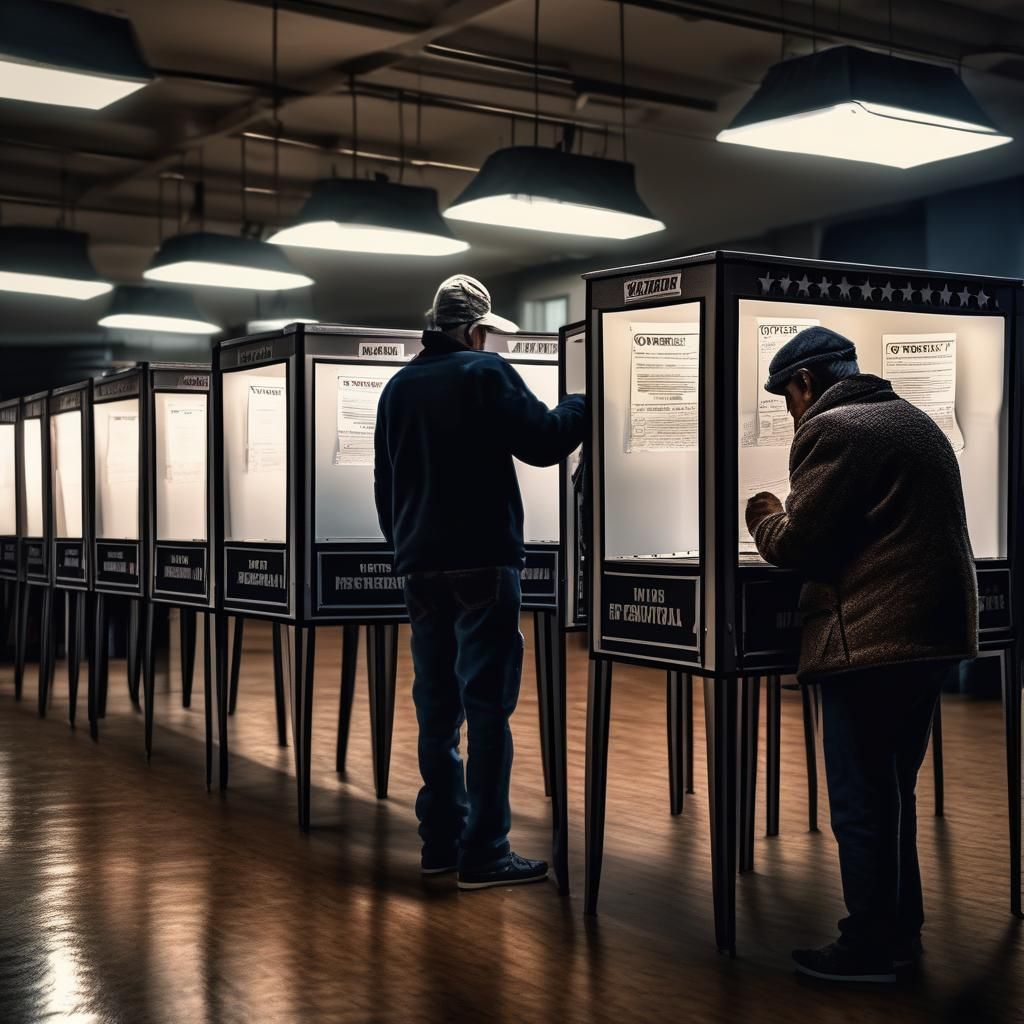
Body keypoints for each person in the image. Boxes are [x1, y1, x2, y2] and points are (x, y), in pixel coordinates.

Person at [744, 326, 977, 984]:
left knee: (857, 798)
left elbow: (800, 543)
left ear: (805, 383)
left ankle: (870, 946)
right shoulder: (911, 421)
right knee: (890, 790)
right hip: (929, 635)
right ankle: (900, 932)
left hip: (872, 638)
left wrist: (763, 513)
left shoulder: (835, 429)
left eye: (787, 399)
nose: (791, 413)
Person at [374, 274, 587, 890]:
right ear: (473, 330)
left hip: (420, 566)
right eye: (487, 333)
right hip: (484, 563)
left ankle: (440, 841)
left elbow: (386, 485)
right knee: (488, 707)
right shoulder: (483, 373)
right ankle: (486, 851)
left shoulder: (398, 387)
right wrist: (580, 401)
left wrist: (406, 545)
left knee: (437, 712)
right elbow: (545, 443)